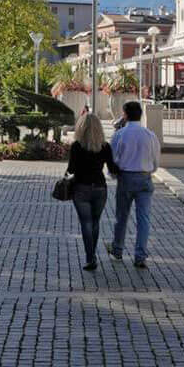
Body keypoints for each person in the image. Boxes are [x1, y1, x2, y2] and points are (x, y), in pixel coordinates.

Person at [107, 101, 160, 269]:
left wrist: (114, 175)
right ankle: (140, 255)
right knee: (143, 218)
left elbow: (113, 159)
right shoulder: (150, 135)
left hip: (126, 177)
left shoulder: (119, 135)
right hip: (144, 177)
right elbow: (156, 160)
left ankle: (117, 248)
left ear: (125, 115)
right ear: (141, 115)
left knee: (122, 216)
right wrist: (149, 170)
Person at [67, 113, 117, 271]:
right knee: (95, 222)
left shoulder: (76, 146)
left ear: (81, 128)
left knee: (86, 223)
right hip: (100, 188)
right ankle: (92, 254)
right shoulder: (105, 146)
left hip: (81, 187)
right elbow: (112, 168)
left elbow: (71, 169)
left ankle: (90, 258)